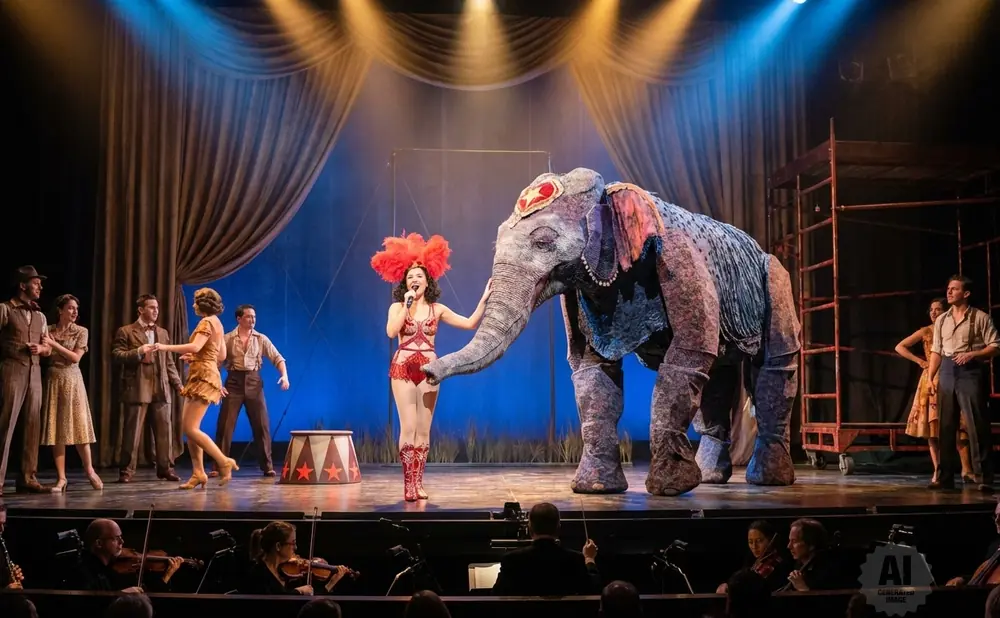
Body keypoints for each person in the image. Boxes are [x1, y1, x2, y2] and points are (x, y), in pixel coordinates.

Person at [371, 233, 491, 502]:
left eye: (419, 277)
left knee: (424, 430)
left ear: (428, 281)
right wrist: (406, 305)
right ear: (405, 283)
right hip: (403, 369)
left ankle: (419, 481)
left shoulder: (438, 309)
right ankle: (408, 484)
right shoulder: (397, 307)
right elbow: (391, 332)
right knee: (408, 427)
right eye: (410, 277)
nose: (415, 280)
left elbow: (470, 323)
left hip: (429, 371)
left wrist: (483, 300)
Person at [154, 288, 238, 489]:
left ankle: (223, 460)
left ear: (203, 305)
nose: (193, 305)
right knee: (191, 428)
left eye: (195, 302)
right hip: (203, 371)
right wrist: (198, 358)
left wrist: (165, 348)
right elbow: (221, 355)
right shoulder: (217, 322)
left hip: (203, 375)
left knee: (190, 428)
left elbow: (195, 346)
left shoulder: (207, 322)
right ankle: (198, 472)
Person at [928, 275, 1000, 491]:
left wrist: (973, 354)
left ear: (966, 293)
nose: (949, 292)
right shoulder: (942, 319)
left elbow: (995, 346)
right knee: (946, 425)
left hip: (970, 370)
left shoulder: (980, 317)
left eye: (954, 289)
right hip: (948, 370)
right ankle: (945, 477)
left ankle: (983, 478)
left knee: (976, 423)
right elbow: (936, 350)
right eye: (948, 288)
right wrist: (932, 377)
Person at [900, 298, 974, 484]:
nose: (934, 312)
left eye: (938, 309)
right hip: (932, 378)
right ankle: (938, 470)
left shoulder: (951, 329)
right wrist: (920, 362)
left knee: (960, 425)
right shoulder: (927, 331)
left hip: (953, 375)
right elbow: (900, 346)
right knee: (933, 428)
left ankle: (966, 469)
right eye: (931, 309)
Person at [111, 294, 184, 483]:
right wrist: (138, 352)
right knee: (132, 433)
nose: (155, 311)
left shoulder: (163, 333)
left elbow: (169, 363)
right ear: (141, 310)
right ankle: (126, 471)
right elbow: (117, 355)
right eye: (151, 307)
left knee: (164, 432)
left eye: (157, 308)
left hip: (160, 387)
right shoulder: (126, 331)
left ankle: (165, 468)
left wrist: (178, 385)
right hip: (137, 387)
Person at [210, 304, 288, 478]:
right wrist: (217, 383)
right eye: (248, 317)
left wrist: (284, 376)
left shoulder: (261, 339)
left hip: (254, 382)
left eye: (254, 317)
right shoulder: (228, 339)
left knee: (261, 425)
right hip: (233, 383)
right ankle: (219, 465)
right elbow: (216, 363)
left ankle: (267, 466)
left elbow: (278, 358)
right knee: (225, 426)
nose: (252, 320)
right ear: (239, 319)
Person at [40, 294, 103, 491]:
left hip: (73, 380)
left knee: (79, 427)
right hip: (53, 379)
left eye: (76, 308)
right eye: (70, 308)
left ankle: (90, 470)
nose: (74, 311)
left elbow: (75, 357)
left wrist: (54, 344)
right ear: (60, 310)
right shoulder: (48, 330)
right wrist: (42, 348)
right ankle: (61, 478)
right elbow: (46, 352)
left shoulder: (81, 331)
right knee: (57, 430)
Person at [0, 265, 51, 495]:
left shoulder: (40, 314)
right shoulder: (5, 309)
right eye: (35, 282)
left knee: (33, 426)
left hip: (35, 374)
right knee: (6, 425)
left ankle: (28, 477)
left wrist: (41, 348)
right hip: (12, 370)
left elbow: (48, 347)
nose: (39, 286)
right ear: (22, 285)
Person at [491, 502, 599, 596]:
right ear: (558, 529)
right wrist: (589, 559)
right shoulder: (575, 559)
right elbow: (594, 589)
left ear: (530, 529)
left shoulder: (511, 560)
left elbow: (497, 595)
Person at [67, 518, 180, 593]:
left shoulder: (110, 569)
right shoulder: (84, 572)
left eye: (121, 537)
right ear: (99, 543)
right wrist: (121, 595)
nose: (122, 542)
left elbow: (145, 597)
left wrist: (167, 576)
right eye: (116, 538)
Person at [242, 521, 351, 595]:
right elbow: (277, 607)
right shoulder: (258, 574)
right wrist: (297, 592)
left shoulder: (287, 572)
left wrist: (331, 583)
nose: (296, 547)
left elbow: (311, 605)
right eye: (292, 543)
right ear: (278, 546)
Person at [716, 520, 792, 594]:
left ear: (770, 540)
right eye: (750, 542)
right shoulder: (751, 559)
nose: (754, 546)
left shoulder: (778, 564)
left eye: (759, 541)